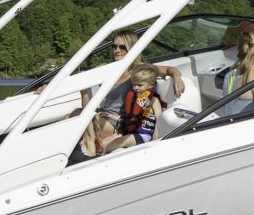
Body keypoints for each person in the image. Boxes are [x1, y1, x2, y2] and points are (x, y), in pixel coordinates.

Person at [76, 30, 185, 158]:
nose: (117, 50)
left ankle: (89, 150)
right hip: (105, 114)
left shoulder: (140, 69)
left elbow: (170, 70)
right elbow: (84, 76)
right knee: (71, 116)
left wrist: (176, 76)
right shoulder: (108, 68)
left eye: (122, 47)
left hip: (120, 123)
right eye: (114, 46)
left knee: (81, 121)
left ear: (132, 48)